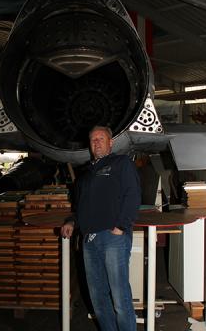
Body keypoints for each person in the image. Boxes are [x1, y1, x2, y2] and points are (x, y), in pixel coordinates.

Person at [61, 125, 141, 331]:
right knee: (98, 299)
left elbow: (133, 195)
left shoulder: (121, 163)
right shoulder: (85, 175)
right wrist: (71, 221)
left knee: (120, 297)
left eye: (101, 139)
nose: (96, 142)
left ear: (110, 142)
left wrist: (120, 227)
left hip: (113, 237)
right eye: (93, 140)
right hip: (89, 241)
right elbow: (80, 208)